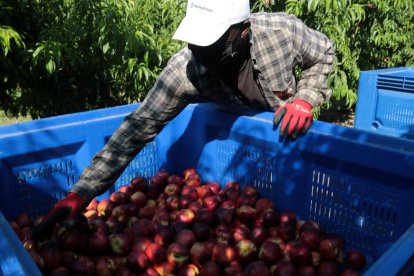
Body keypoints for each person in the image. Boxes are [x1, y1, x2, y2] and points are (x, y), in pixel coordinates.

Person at [32, 0, 334, 238]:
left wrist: (306, 97)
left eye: (212, 43)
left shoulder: (281, 32)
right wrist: (82, 192)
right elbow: (137, 128)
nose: (200, 51)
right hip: (239, 166)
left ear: (243, 30)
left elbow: (323, 53)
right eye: (195, 42)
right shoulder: (185, 71)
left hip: (285, 138)